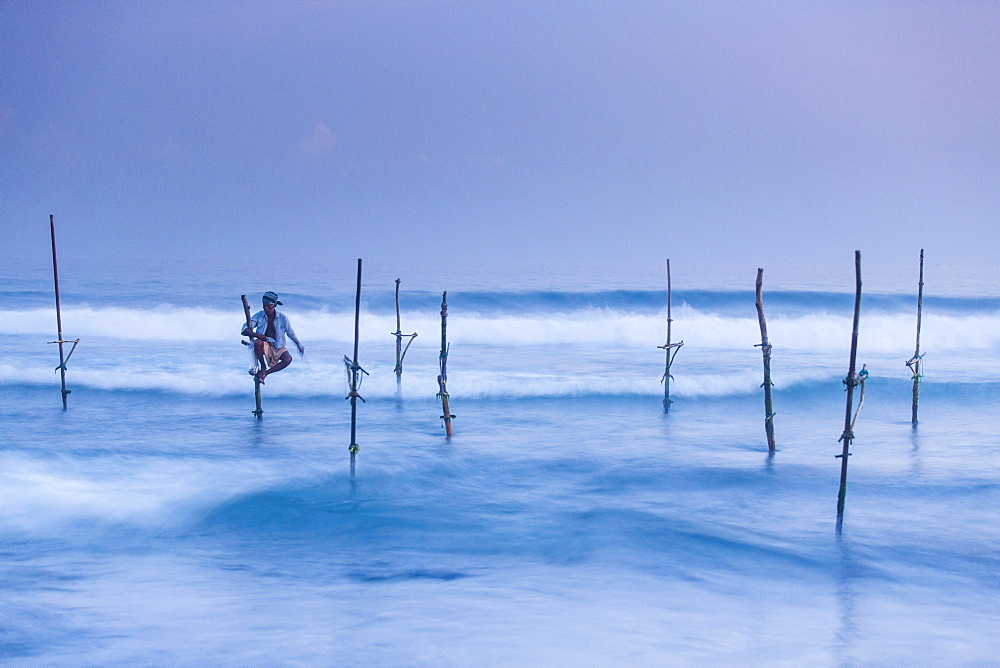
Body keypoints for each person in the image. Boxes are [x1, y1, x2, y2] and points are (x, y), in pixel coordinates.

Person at [242, 291, 304, 384]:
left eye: (268, 306)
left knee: (288, 359)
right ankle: (263, 366)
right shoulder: (259, 315)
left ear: (274, 305)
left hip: (278, 346)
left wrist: (298, 344)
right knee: (258, 342)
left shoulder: (283, 318)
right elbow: (244, 330)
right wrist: (259, 335)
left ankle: (265, 373)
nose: (266, 308)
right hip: (264, 345)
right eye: (264, 305)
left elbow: (290, 333)